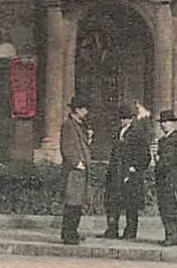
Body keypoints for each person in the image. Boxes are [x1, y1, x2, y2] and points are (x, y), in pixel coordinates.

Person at [101, 102, 152, 239]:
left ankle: (130, 231)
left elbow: (145, 156)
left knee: (131, 204)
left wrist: (134, 168)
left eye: (126, 117)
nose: (123, 120)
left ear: (131, 119)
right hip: (116, 173)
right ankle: (112, 229)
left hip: (130, 175)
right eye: (121, 117)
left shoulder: (137, 134)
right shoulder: (117, 132)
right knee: (113, 202)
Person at [58, 100, 93, 244]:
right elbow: (66, 146)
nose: (86, 112)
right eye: (84, 109)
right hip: (74, 171)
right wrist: (76, 163)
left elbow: (80, 145)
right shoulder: (68, 124)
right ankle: (68, 234)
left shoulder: (79, 124)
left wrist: (89, 137)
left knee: (77, 203)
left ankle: (73, 232)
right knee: (72, 203)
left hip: (80, 171)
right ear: (77, 110)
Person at [153, 110, 177, 246]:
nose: (164, 125)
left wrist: (160, 160)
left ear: (173, 123)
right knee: (164, 207)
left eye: (167, 122)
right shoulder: (163, 140)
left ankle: (173, 236)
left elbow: (174, 159)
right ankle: (170, 235)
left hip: (172, 179)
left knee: (170, 207)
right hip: (163, 179)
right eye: (162, 122)